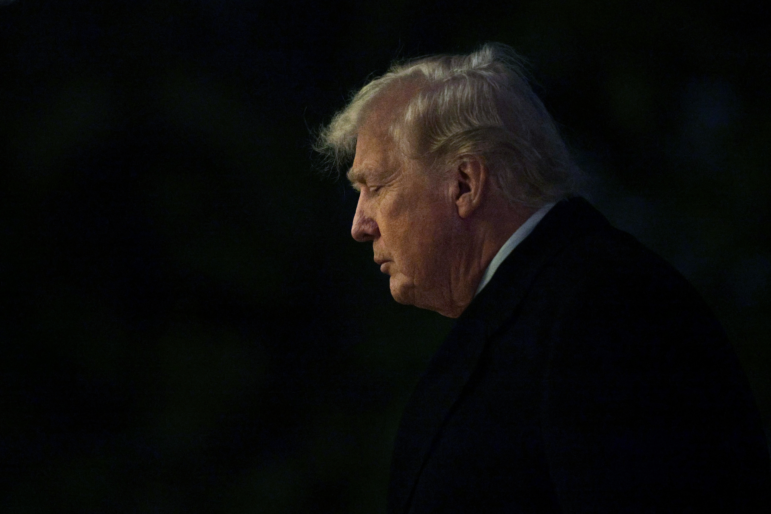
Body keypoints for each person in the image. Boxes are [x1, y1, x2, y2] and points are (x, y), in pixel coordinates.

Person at [316, 44, 771, 513]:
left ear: (465, 184)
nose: (359, 225)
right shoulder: (555, 306)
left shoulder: (606, 308)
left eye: (375, 187)